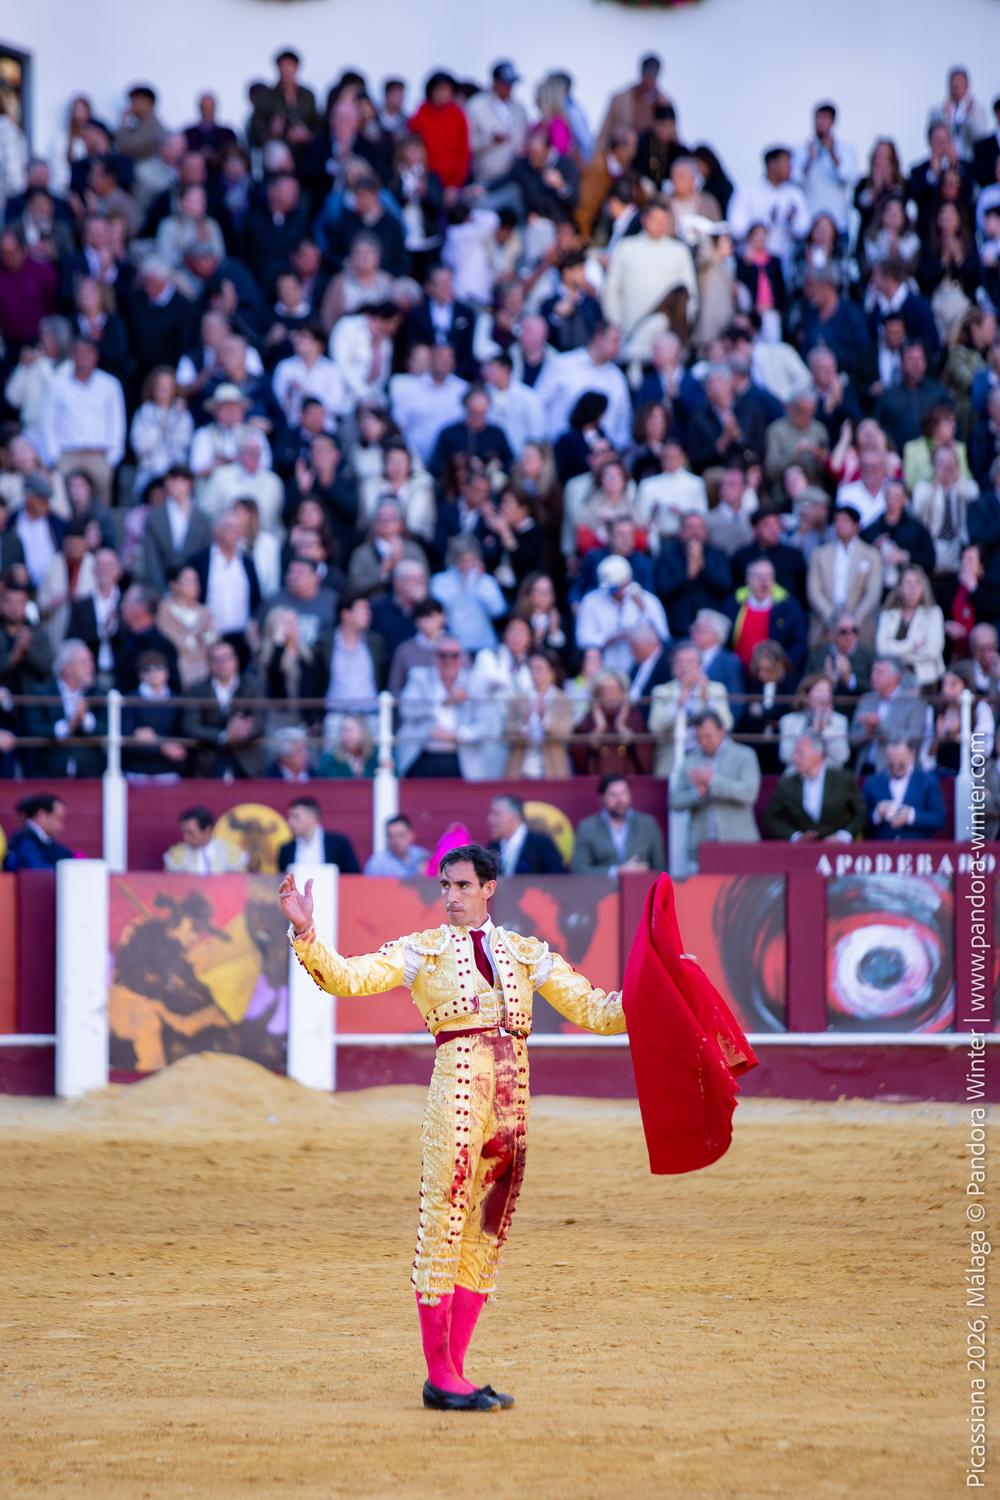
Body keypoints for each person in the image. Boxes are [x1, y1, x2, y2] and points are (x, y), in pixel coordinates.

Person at [280, 842, 628, 1410]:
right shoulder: (424, 951)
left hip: (512, 1105)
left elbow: (597, 1011)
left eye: (463, 886)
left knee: (486, 1233)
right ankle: (440, 1375)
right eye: (444, 887)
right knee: (443, 1224)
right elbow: (348, 978)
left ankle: (456, 1374)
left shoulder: (525, 952)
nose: (451, 897)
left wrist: (653, 989)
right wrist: (307, 934)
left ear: (489, 888)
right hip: (457, 1100)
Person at [669, 710, 761, 870]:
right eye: (699, 737)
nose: (704, 742)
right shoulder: (691, 760)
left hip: (739, 842)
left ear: (722, 731)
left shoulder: (745, 755)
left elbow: (749, 793)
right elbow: (675, 801)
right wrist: (698, 793)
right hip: (702, 844)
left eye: (708, 736)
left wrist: (712, 782)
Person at [648, 640, 733, 777]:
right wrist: (678, 703)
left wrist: (708, 700)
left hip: (709, 761)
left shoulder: (716, 689)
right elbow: (655, 727)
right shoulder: (661, 691)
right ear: (673, 667)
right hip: (672, 759)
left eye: (690, 662)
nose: (684, 667)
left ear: (700, 665)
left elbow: (727, 724)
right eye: (679, 662)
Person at [762, 732, 865, 843]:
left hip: (839, 852)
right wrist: (796, 837)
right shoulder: (787, 783)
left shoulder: (843, 779)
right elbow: (770, 817)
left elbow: (861, 813)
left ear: (818, 754)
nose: (795, 759)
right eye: (795, 753)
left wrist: (843, 836)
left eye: (800, 753)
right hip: (801, 853)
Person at [806, 505, 883, 646]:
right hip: (826, 620)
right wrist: (832, 617)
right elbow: (814, 592)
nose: (840, 525)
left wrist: (853, 620)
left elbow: (873, 593)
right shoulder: (820, 554)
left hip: (859, 621)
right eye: (837, 521)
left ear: (856, 526)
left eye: (845, 521)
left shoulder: (871, 555)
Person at [571, 774, 665, 877]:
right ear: (601, 798)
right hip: (601, 891)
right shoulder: (587, 827)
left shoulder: (648, 824)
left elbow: (659, 869)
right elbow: (578, 870)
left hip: (641, 889)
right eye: (613, 795)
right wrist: (616, 871)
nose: (620, 800)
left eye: (624, 793)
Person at [850, 657, 929, 773]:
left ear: (895, 677)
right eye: (873, 671)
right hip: (864, 770)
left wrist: (880, 725)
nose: (873, 676)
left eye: (879, 672)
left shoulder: (914, 704)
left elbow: (913, 740)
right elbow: (851, 739)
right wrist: (868, 731)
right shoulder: (866, 700)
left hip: (895, 771)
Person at [503, 649, 573, 778]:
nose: (534, 674)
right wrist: (523, 724)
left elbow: (566, 734)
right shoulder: (519, 699)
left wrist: (545, 718)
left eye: (539, 669)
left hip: (552, 768)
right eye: (532, 669)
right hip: (520, 768)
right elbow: (506, 734)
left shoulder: (562, 699)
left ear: (552, 673)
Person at [570, 668, 652, 777]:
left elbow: (646, 752)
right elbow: (578, 754)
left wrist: (622, 728)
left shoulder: (634, 716)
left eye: (613, 689)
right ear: (597, 694)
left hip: (628, 776)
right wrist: (599, 729)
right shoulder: (588, 718)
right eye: (603, 689)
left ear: (622, 692)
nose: (608, 693)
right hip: (597, 776)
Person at [874, 565, 946, 688]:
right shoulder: (888, 614)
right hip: (893, 682)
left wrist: (896, 651)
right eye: (908, 583)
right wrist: (911, 645)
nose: (912, 588)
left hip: (927, 681)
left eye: (917, 583)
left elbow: (932, 650)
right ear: (900, 587)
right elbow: (881, 649)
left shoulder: (933, 613)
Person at [863, 739, 946, 840]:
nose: (896, 767)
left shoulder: (928, 781)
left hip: (916, 850)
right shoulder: (872, 783)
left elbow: (939, 818)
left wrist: (911, 816)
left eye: (902, 764)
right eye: (892, 764)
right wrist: (877, 814)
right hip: (881, 850)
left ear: (912, 754)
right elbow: (860, 819)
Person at [778, 673, 851, 768]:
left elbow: (842, 757)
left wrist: (825, 729)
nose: (825, 696)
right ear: (805, 696)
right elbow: (786, 756)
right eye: (820, 691)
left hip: (830, 776)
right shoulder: (788, 720)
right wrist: (812, 732)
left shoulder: (840, 720)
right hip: (798, 773)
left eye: (828, 691)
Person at [486, 795, 565, 876]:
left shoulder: (542, 844)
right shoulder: (492, 847)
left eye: (496, 814)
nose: (490, 818)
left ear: (514, 816)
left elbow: (558, 880)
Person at [277, 796, 360, 873]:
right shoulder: (286, 849)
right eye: (290, 817)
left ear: (313, 817)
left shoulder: (339, 844)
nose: (290, 822)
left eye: (296, 817)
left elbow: (354, 876)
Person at [163, 805, 248, 874]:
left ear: (207, 830)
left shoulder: (229, 853)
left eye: (191, 833)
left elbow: (239, 885)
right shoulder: (176, 855)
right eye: (184, 832)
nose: (185, 838)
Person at [3, 793, 74, 870]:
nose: (61, 826)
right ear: (41, 815)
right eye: (57, 818)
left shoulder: (41, 839)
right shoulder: (24, 839)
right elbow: (34, 869)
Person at [364, 814, 431, 877]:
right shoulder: (378, 863)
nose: (395, 840)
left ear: (411, 835)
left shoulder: (420, 855)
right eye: (391, 836)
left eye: (400, 835)